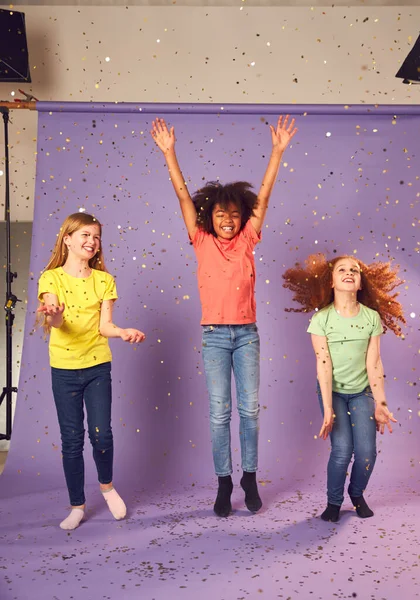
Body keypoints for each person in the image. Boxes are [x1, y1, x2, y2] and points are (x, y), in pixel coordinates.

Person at [151, 115, 298, 517]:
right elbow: (183, 198)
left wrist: (278, 152)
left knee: (249, 410)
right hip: (214, 335)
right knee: (220, 412)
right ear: (208, 218)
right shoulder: (200, 240)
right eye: (220, 215)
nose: (228, 220)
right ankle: (224, 483)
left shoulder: (249, 238)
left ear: (242, 217)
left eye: (234, 214)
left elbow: (264, 198)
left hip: (246, 335)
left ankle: (249, 477)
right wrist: (170, 153)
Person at [37, 212, 146, 530]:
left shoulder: (104, 280)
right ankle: (77, 506)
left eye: (96, 237)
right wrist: (54, 313)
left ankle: (107, 487)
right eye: (84, 235)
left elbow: (105, 326)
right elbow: (55, 321)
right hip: (65, 370)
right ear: (67, 239)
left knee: (102, 434)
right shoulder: (51, 278)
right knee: (72, 440)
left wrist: (123, 331)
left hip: (98, 366)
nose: (91, 241)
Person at [283, 253, 405, 522]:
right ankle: (334, 502)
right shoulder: (321, 320)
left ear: (361, 284)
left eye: (354, 270)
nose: (349, 272)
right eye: (342, 270)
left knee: (367, 452)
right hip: (334, 393)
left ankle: (357, 493)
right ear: (331, 282)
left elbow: (374, 363)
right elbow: (323, 365)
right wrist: (327, 408)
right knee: (341, 451)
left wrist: (381, 403)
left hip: (362, 392)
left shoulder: (371, 318)